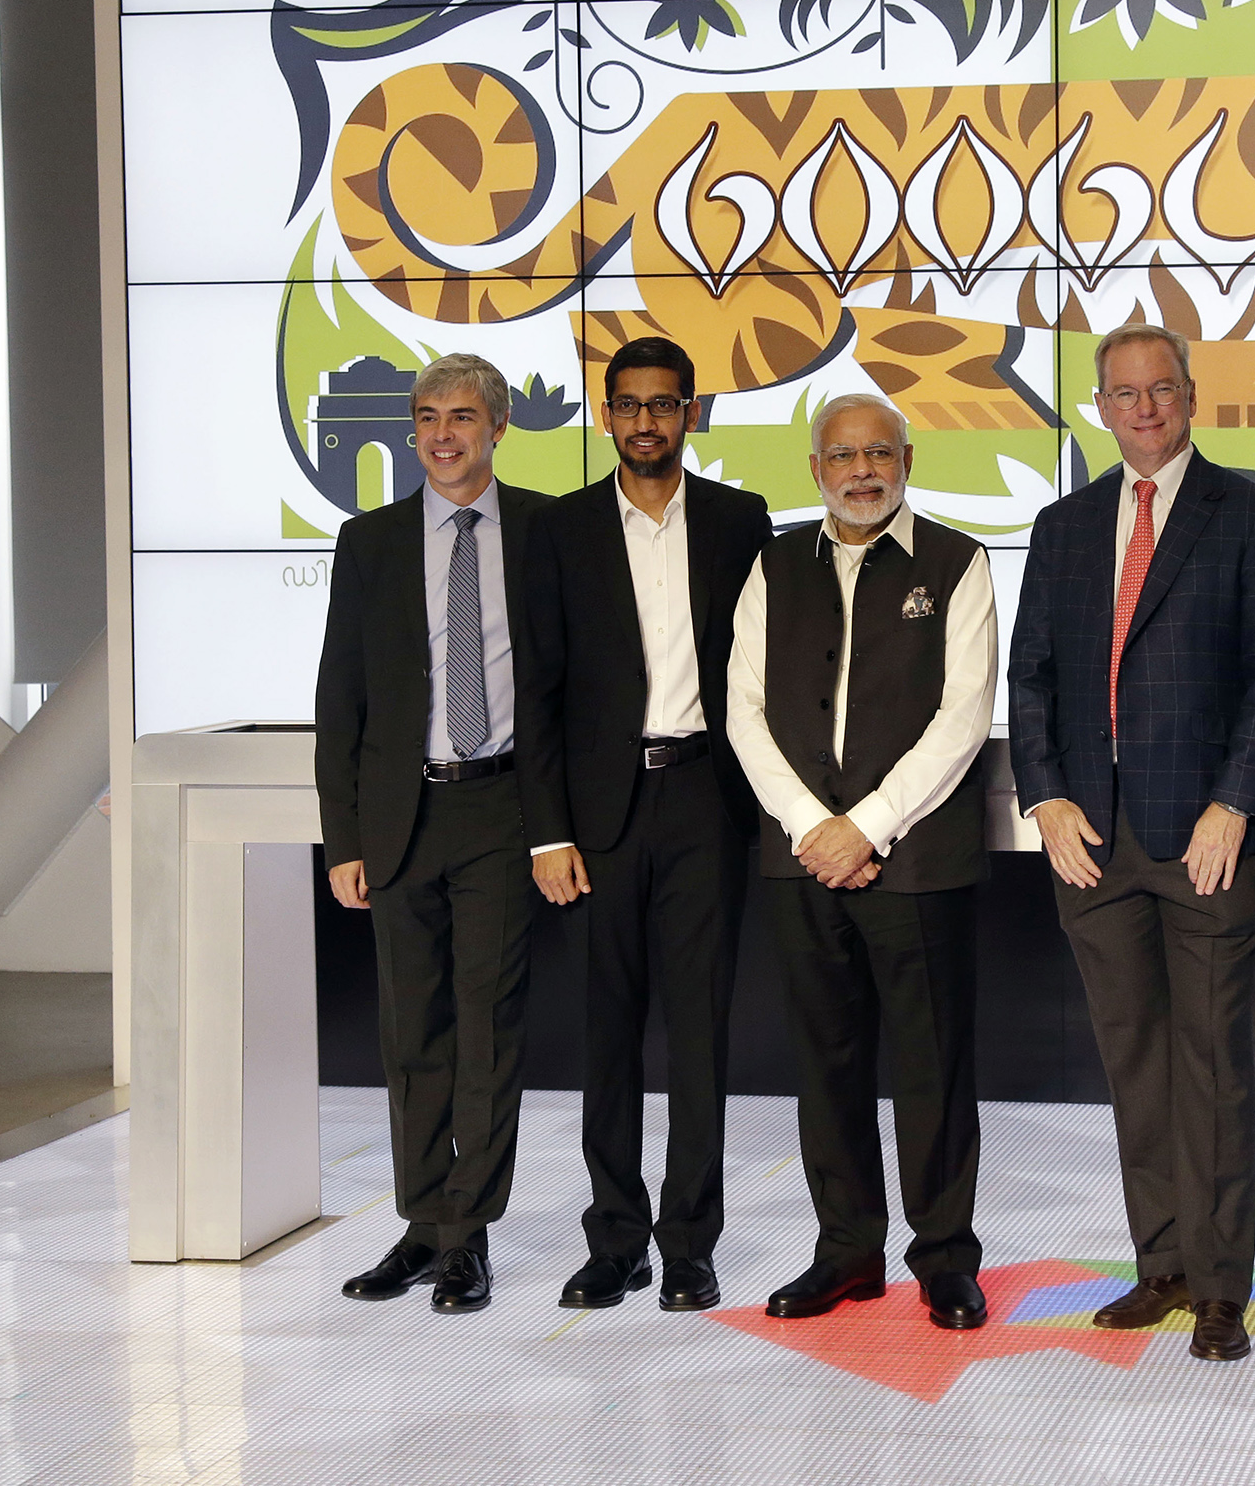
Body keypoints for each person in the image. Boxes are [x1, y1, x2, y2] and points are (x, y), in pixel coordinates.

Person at [1008, 322, 1255, 1363]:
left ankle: (1222, 1286)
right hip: (1092, 838)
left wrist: (1235, 801)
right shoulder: (1064, 526)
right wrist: (1044, 796)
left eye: (1161, 388)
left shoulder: (1252, 518)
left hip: (1206, 838)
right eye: (1124, 392)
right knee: (1134, 1058)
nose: (1144, 406)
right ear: (1101, 406)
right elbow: (1033, 676)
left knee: (1211, 1061)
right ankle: (1164, 1265)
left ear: (1191, 395)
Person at [726, 393, 998, 1331]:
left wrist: (868, 825)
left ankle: (945, 1258)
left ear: (909, 458)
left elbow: (962, 718)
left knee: (931, 1065)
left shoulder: (959, 563)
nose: (861, 469)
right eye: (841, 454)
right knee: (828, 1060)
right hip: (802, 857)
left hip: (918, 857)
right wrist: (815, 826)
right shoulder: (771, 565)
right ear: (815, 470)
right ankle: (846, 1250)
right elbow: (744, 711)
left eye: (878, 451)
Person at [519, 337, 773, 1314]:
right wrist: (547, 830)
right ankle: (616, 1239)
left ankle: (689, 1245)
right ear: (606, 413)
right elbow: (538, 692)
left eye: (663, 404)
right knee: (608, 1034)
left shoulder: (739, 521)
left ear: (690, 412)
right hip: (598, 816)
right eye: (627, 404)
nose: (645, 421)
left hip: (706, 800)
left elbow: (764, 669)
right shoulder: (561, 529)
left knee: (700, 1037)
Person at [316, 353, 550, 1314]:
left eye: (461, 414)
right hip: (399, 814)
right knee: (413, 1030)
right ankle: (420, 1225)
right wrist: (344, 839)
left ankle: (468, 1235)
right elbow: (342, 699)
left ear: (498, 424)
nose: (442, 432)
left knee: (488, 1028)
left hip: (499, 808)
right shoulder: (367, 541)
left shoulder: (544, 531)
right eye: (426, 416)